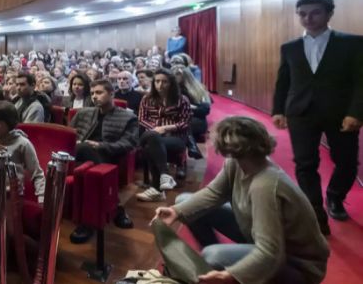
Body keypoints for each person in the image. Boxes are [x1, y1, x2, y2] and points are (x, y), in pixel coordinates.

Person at [154, 116, 330, 284]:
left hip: (298, 265)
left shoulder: (265, 185)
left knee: (213, 254)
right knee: (184, 201)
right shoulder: (238, 163)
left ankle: (225, 269)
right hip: (263, 239)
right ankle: (218, 270)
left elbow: (270, 252)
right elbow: (214, 193)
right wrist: (176, 212)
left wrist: (231, 274)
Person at [272, 0, 363, 235]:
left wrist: (356, 112)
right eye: (302, 13)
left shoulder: (352, 43)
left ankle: (334, 196)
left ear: (329, 14)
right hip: (301, 113)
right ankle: (315, 212)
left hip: (341, 114)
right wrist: (278, 110)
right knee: (305, 164)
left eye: (315, 13)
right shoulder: (289, 47)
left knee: (347, 162)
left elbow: (360, 82)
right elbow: (283, 81)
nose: (308, 18)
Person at [67, 79, 138, 243]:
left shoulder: (128, 117)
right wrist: (75, 143)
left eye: (99, 93)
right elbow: (69, 134)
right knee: (83, 149)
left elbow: (129, 143)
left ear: (112, 94)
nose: (94, 97)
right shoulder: (84, 113)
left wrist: (101, 145)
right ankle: (115, 206)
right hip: (78, 155)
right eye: (92, 93)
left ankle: (88, 222)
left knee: (88, 155)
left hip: (108, 156)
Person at [137, 69, 192, 202]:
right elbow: (141, 119)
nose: (160, 85)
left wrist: (166, 128)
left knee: (150, 147)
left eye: (164, 82)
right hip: (151, 133)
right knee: (153, 137)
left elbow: (185, 122)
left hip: (175, 137)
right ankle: (164, 175)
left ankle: (157, 190)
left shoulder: (181, 100)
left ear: (171, 83)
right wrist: (156, 129)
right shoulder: (147, 98)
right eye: (157, 81)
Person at [0, 101, 45, 202]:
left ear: (10, 122)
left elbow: (37, 173)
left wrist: (42, 197)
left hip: (12, 197)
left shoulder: (22, 143)